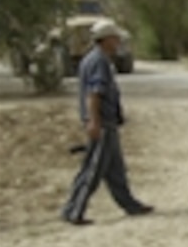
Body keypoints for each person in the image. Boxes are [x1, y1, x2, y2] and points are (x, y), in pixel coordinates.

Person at [61, 20, 153, 225]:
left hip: (106, 122)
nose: (118, 41)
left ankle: (130, 204)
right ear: (106, 39)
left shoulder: (92, 59)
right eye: (116, 38)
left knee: (115, 169)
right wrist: (94, 121)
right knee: (93, 170)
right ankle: (74, 211)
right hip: (102, 122)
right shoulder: (99, 62)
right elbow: (95, 93)